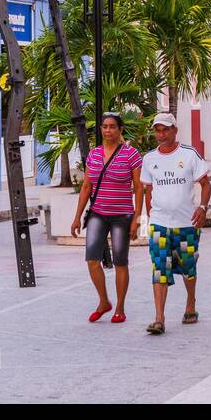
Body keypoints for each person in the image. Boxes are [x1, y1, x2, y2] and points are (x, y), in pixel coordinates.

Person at [141, 112, 211, 335]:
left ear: (174, 130)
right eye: (157, 130)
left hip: (186, 223)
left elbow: (205, 184)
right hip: (159, 224)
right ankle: (159, 318)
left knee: (188, 266)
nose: (161, 134)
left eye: (165, 130)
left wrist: (202, 208)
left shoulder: (190, 154)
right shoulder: (150, 159)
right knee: (159, 267)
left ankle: (191, 302)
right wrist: (148, 218)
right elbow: (148, 190)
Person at [70, 112, 143, 324]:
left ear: (120, 130)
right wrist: (77, 217)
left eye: (112, 126)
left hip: (122, 215)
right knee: (92, 260)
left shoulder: (131, 154)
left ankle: (120, 308)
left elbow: (138, 188)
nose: (108, 130)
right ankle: (104, 301)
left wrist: (137, 217)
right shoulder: (93, 155)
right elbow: (86, 186)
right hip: (98, 214)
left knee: (120, 261)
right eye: (104, 126)